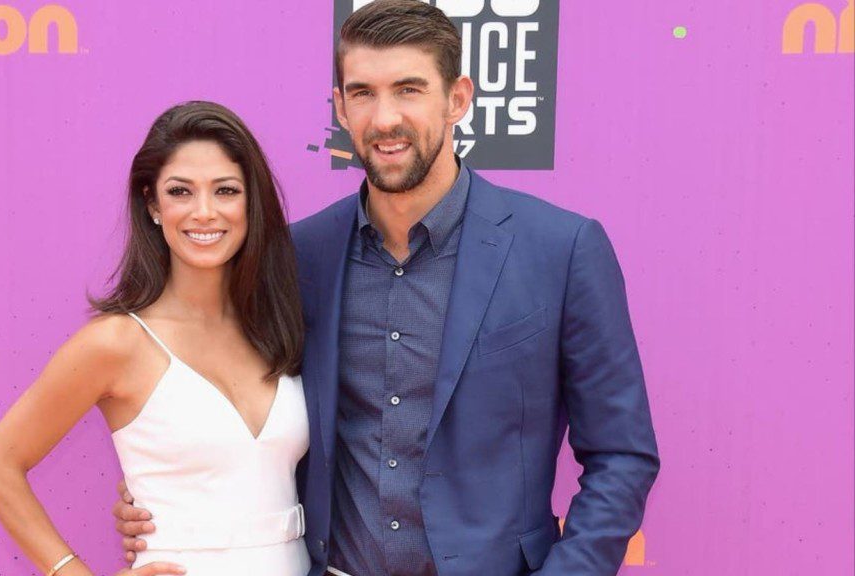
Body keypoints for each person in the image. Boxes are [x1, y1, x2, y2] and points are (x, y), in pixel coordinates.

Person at [116, 1, 660, 575]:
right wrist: (169, 495)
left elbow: (621, 454)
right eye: (362, 93)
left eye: (408, 89)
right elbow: (234, 411)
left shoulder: (561, 249)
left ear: (457, 99)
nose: (384, 119)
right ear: (340, 108)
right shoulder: (297, 257)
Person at [0, 101, 312, 576]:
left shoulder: (281, 327)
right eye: (181, 191)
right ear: (153, 204)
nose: (205, 212)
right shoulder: (116, 344)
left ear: (251, 203)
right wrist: (70, 570)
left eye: (226, 190)